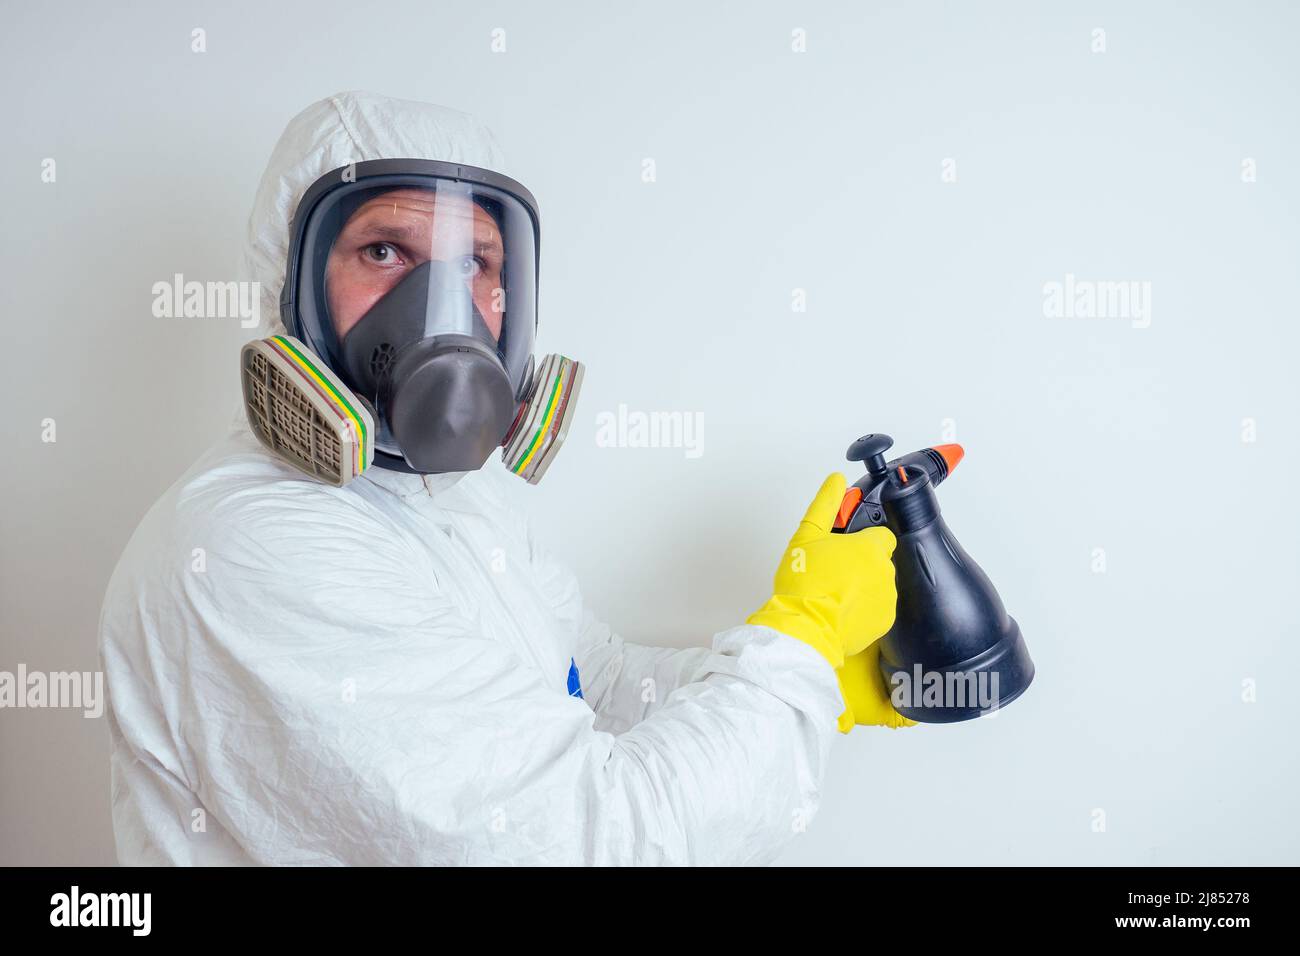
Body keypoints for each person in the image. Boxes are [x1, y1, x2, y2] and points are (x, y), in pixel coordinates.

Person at [99, 91, 909, 867]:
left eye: (474, 261)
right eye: (385, 252)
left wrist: (815, 684)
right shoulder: (257, 548)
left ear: (505, 291)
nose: (439, 307)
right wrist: (796, 646)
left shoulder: (457, 496)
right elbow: (600, 845)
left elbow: (594, 686)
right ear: (291, 278)